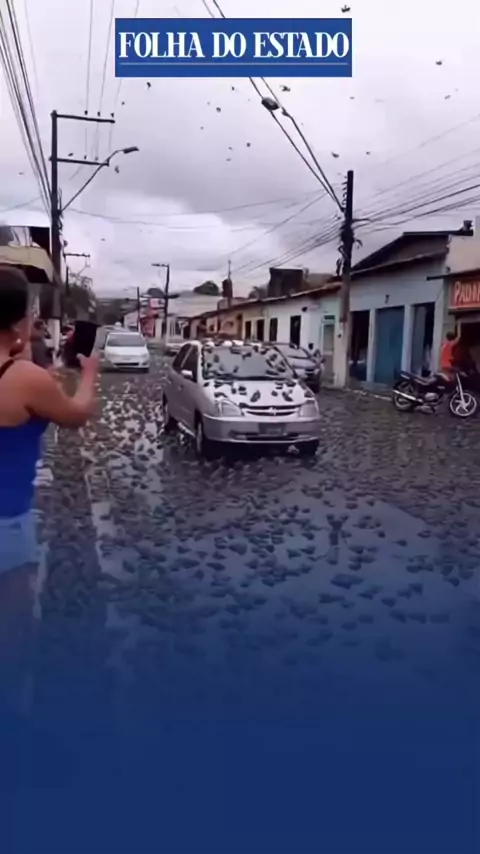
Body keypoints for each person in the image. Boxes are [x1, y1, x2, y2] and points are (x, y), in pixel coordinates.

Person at [0, 266, 98, 708]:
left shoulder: (26, 377)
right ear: (19, 319)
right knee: (12, 636)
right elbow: (76, 415)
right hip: (6, 525)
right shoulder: (24, 378)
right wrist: (88, 374)